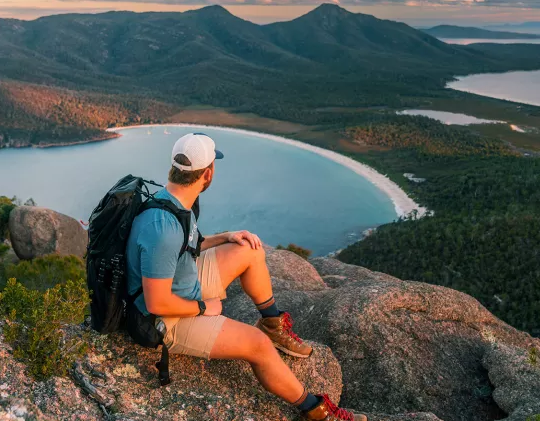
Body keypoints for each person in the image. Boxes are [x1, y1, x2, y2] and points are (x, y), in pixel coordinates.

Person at [126, 132, 367, 421]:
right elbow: (157, 303)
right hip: (167, 319)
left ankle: (272, 324)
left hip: (183, 281)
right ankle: (316, 410)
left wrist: (227, 236)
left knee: (249, 250)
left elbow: (186, 246)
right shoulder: (162, 227)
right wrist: (204, 308)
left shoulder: (172, 199)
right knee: (258, 346)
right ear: (208, 174)